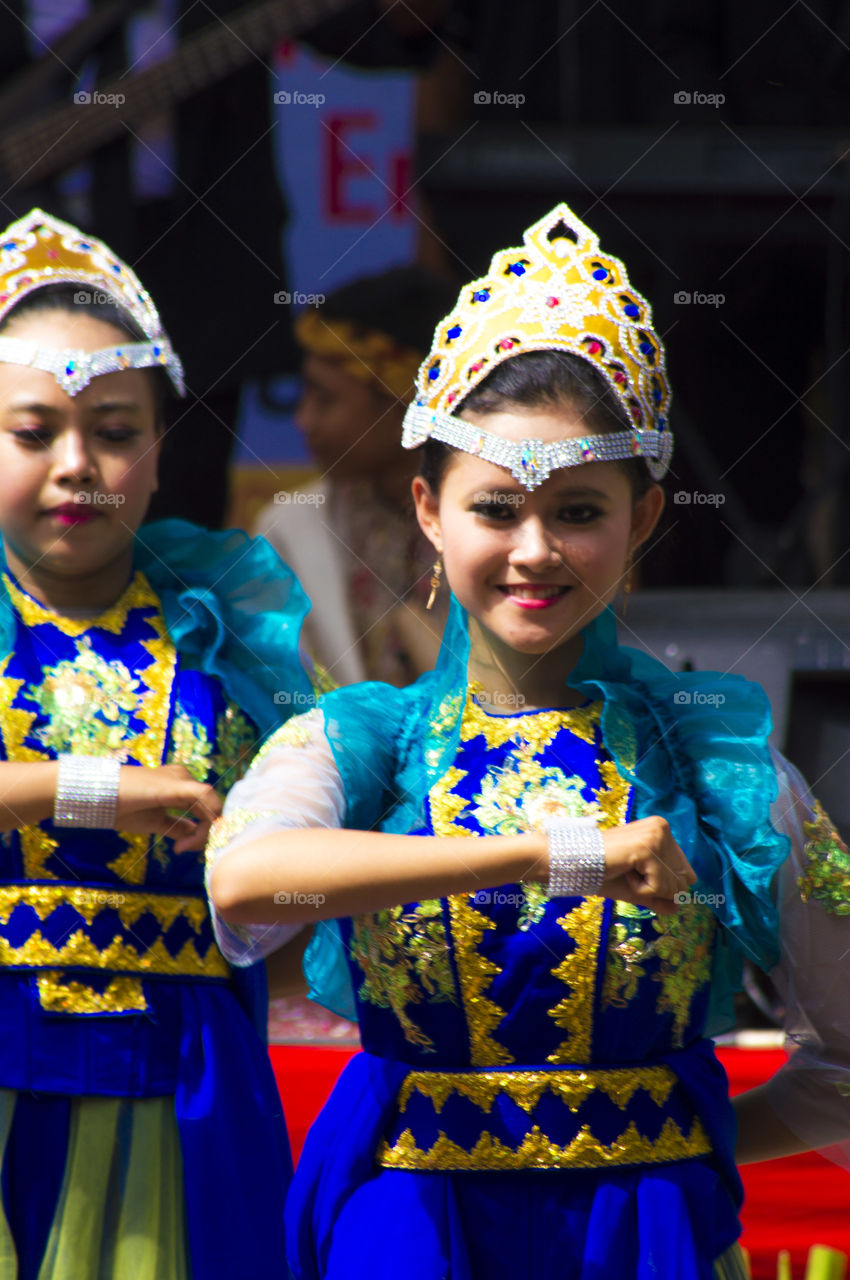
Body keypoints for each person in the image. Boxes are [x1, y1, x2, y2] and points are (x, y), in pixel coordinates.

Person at [207, 202, 850, 1279]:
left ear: (643, 519)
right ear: (429, 508)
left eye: (580, 510)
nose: (535, 550)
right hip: (411, 1235)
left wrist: (686, 1143)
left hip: (638, 1240)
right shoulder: (362, 740)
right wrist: (551, 855)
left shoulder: (724, 770)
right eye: (497, 507)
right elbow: (242, 886)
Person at [0, 208, 313, 1279]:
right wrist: (94, 788)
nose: (79, 465)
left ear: (163, 444)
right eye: (33, 432)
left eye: (117, 431)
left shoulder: (223, 629)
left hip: (184, 1083)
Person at [256, 265, 458, 687]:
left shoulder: (497, 528)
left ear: (405, 404)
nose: (303, 419)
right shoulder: (290, 529)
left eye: (325, 399)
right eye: (304, 393)